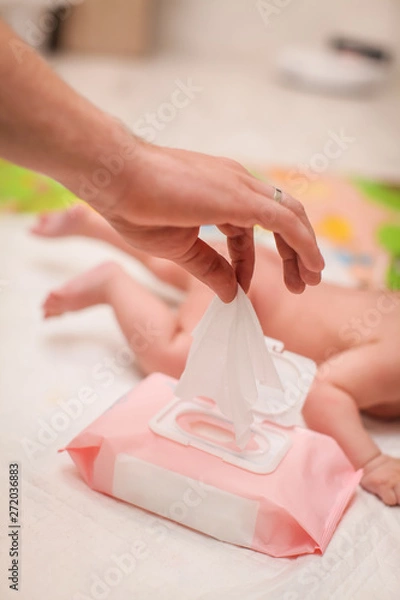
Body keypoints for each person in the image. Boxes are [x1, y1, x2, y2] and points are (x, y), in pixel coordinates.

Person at [33, 205, 400, 506]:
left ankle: (97, 224)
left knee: (173, 264)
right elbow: (325, 393)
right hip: (245, 293)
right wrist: (372, 462)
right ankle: (111, 283)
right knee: (179, 356)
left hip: (260, 264)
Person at [0, 19, 324, 301]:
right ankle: (108, 273)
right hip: (260, 292)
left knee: (167, 254)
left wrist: (124, 174)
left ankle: (94, 232)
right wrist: (129, 170)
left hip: (257, 285)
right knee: (169, 265)